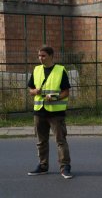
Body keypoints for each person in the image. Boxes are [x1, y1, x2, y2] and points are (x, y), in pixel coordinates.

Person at [27, 46, 73, 179]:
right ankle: (42, 166)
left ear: (51, 56)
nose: (41, 58)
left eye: (43, 56)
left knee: (60, 141)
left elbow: (66, 92)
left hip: (56, 112)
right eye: (39, 56)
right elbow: (30, 89)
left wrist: (56, 97)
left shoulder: (60, 70)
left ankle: (65, 167)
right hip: (39, 111)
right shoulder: (36, 70)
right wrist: (35, 91)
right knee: (41, 141)